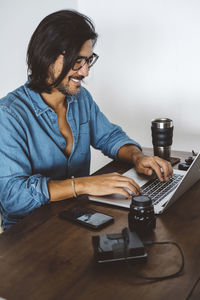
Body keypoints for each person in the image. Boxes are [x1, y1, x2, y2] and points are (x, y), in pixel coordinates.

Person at [0, 10, 173, 229]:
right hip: (29, 235)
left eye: (88, 61)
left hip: (76, 219)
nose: (86, 72)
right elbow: (13, 198)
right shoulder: (8, 115)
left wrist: (137, 156)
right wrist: (83, 184)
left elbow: (110, 136)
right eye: (77, 61)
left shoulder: (80, 98)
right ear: (46, 57)